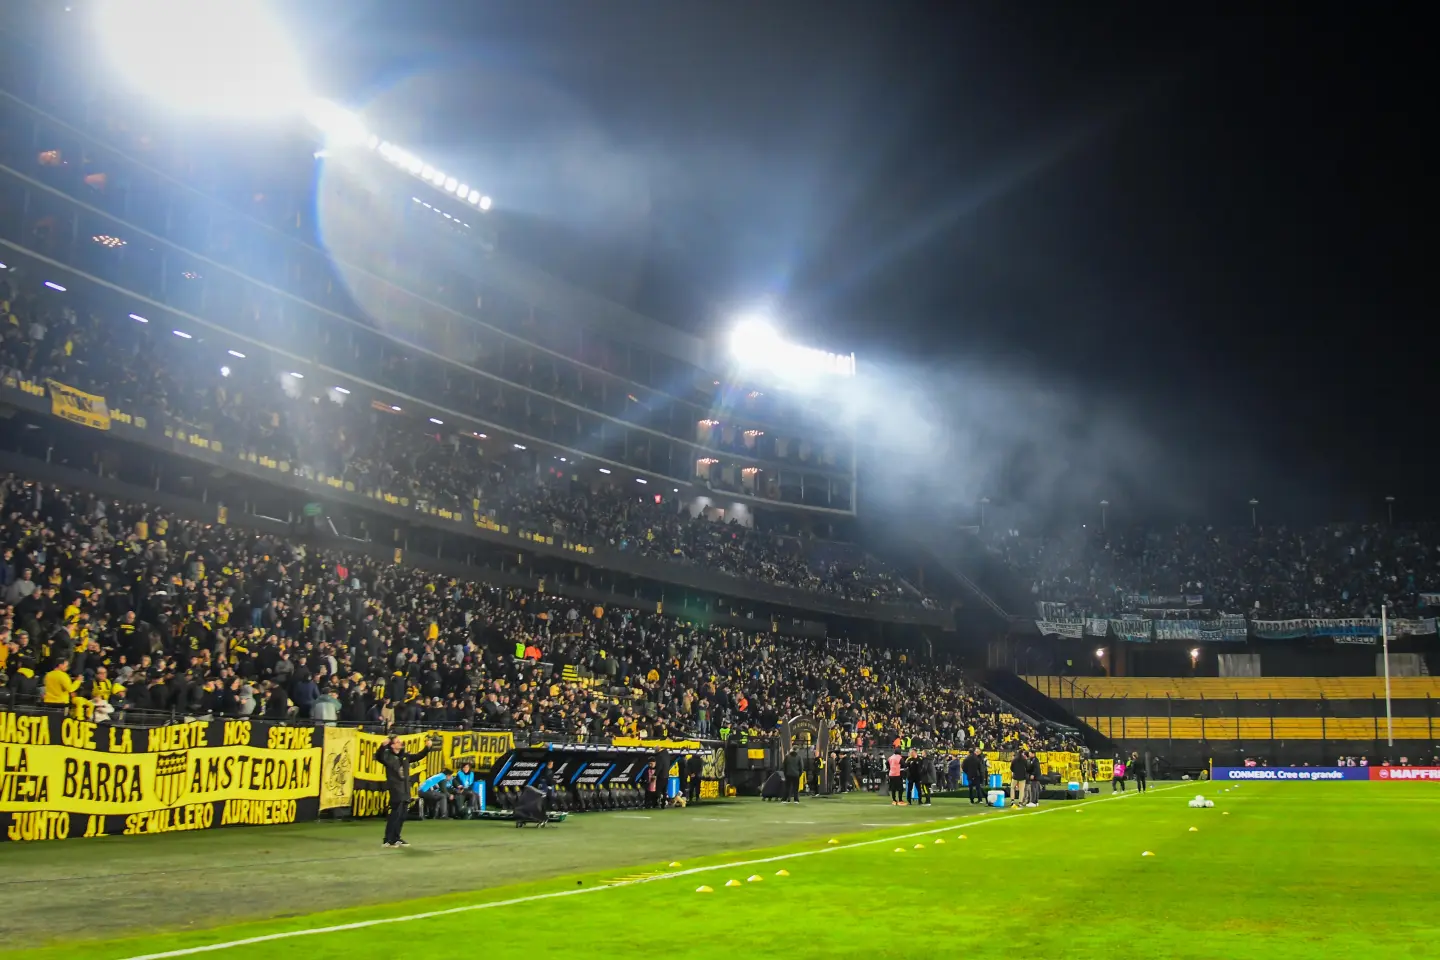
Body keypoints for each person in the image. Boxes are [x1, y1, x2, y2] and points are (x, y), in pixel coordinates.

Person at [378, 734, 436, 848]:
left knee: (403, 815)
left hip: (405, 789)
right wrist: (382, 746)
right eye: (398, 741)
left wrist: (427, 748)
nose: (400, 743)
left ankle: (396, 837)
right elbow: (378, 756)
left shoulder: (404, 755)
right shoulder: (387, 756)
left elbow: (418, 756)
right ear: (393, 745)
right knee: (395, 814)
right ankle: (388, 839)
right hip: (395, 789)